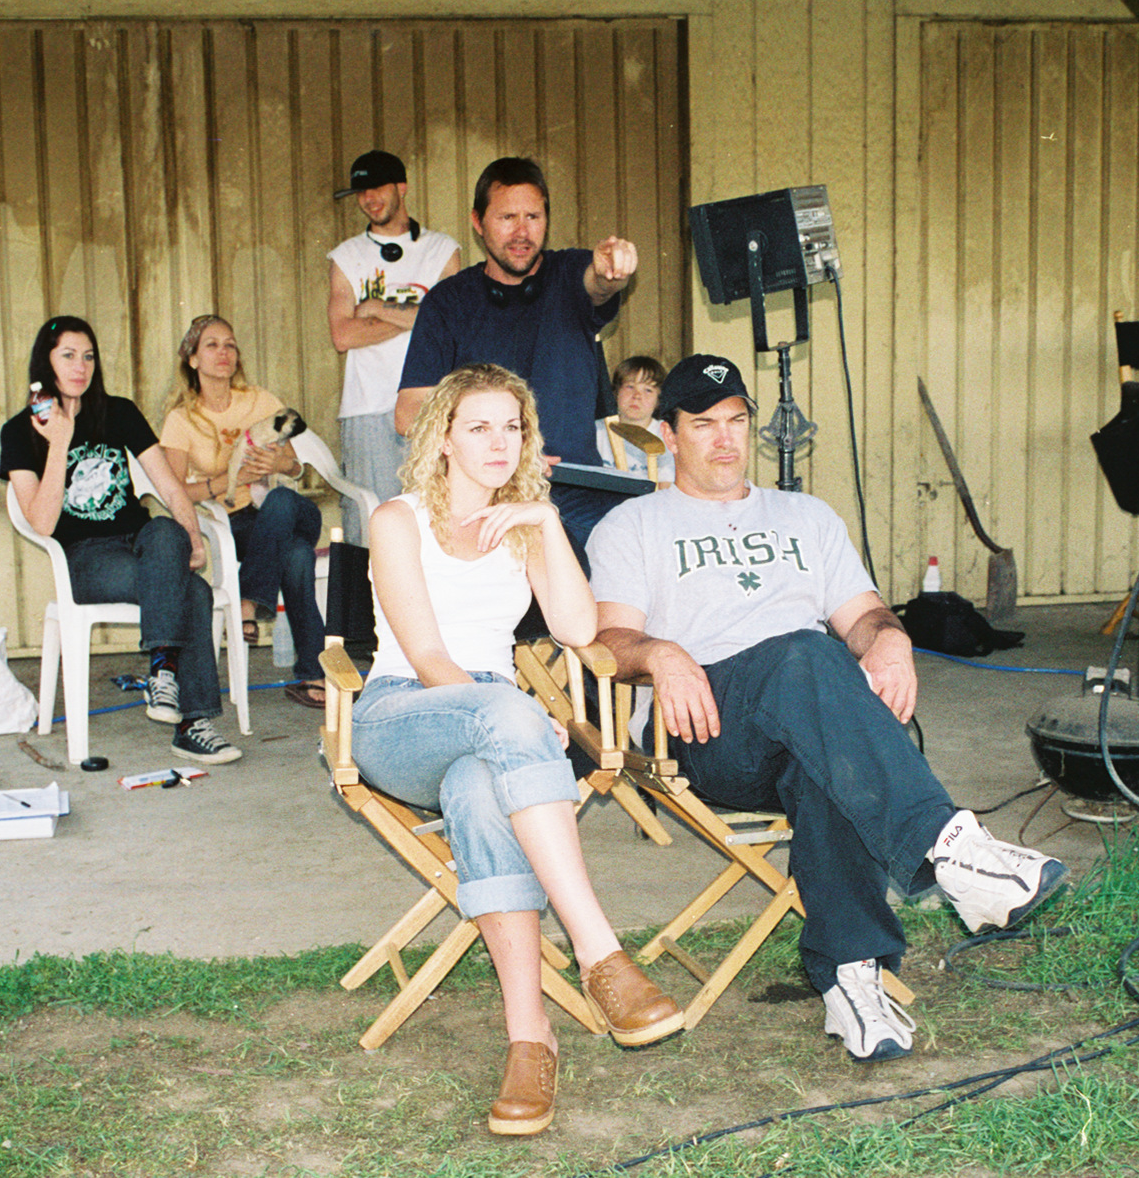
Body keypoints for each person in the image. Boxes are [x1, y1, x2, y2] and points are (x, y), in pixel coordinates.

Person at [589, 354, 1066, 1064]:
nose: (726, 440)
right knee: (809, 657)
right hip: (708, 729)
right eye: (704, 425)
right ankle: (951, 850)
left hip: (812, 716)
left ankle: (852, 980)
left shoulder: (805, 516)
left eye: (738, 422)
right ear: (667, 433)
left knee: (828, 754)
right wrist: (658, 652)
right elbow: (611, 642)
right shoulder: (634, 523)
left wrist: (893, 642)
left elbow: (865, 617)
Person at [352, 363, 682, 1136]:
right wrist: (506, 711)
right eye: (479, 427)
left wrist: (548, 524)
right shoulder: (397, 520)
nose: (500, 442)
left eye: (513, 427)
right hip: (402, 716)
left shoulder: (523, 524)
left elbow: (574, 628)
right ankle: (603, 955)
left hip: (488, 734)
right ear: (443, 441)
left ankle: (529, 1042)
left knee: (479, 789)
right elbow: (430, 656)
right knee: (509, 717)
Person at [0, 316, 242, 764]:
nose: (81, 366)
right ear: (46, 363)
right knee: (194, 591)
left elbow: (169, 487)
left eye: (88, 356)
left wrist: (195, 538)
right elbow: (43, 523)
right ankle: (190, 719)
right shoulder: (19, 431)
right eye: (68, 356)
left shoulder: (120, 412)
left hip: (143, 541)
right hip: (86, 559)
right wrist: (59, 443)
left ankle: (165, 676)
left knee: (167, 531)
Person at [395, 155, 638, 552]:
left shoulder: (570, 272)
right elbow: (409, 412)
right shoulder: (448, 302)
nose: (522, 232)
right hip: (486, 493)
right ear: (478, 222)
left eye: (534, 217)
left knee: (622, 557)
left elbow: (597, 283)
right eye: (507, 218)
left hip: (575, 489)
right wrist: (506, 455)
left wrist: (611, 270)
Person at [158, 314, 327, 710]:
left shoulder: (261, 401)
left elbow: (297, 468)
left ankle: (248, 602)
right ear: (193, 358)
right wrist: (224, 482)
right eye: (212, 345)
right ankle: (313, 671)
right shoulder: (181, 420)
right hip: (231, 523)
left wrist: (277, 467)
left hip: (286, 510)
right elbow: (174, 492)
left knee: (284, 502)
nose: (224, 353)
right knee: (297, 556)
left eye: (230, 344)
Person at [327, 150, 462, 547]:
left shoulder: (441, 249)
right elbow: (343, 335)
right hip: (366, 409)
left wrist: (378, 308)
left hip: (430, 402)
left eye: (377, 188)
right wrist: (419, 315)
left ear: (401, 187)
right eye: (361, 192)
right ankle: (361, 611)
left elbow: (450, 324)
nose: (369, 199)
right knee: (370, 524)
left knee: (435, 517)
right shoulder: (346, 256)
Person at [595, 354, 674, 482]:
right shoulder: (596, 432)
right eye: (630, 387)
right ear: (616, 392)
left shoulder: (666, 435)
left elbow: (666, 486)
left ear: (659, 400)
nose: (637, 396)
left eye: (648, 390)